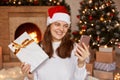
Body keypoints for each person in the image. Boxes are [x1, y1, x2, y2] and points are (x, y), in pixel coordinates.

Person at [21, 6, 90, 80]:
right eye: (57, 24)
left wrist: (81, 63)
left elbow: (79, 79)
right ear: (49, 26)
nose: (61, 29)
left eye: (65, 26)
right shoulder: (37, 48)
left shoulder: (74, 48)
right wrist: (30, 77)